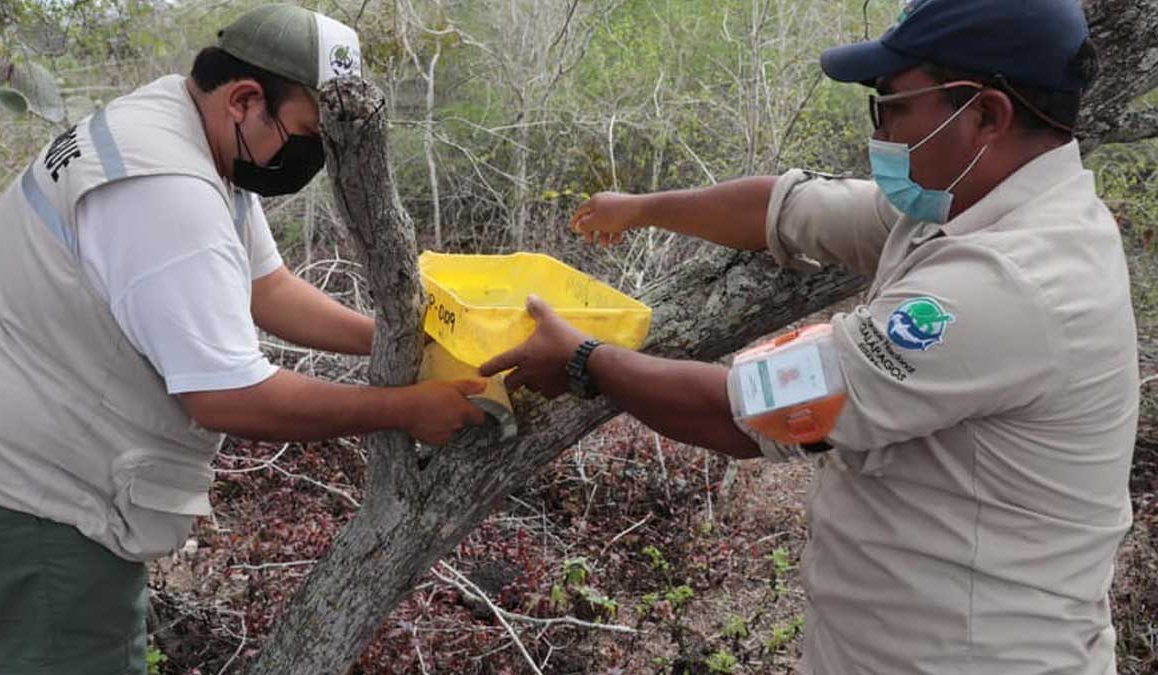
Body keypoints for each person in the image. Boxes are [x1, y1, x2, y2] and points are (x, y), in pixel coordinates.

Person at [481, 0, 1137, 672]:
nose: (879, 128)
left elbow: (747, 410)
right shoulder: (967, 203)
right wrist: (643, 209)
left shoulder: (1011, 284)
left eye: (891, 103)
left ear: (985, 115)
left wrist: (584, 361)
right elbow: (791, 209)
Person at [0, 5, 485, 673]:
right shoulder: (165, 190)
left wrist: (403, 342)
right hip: (32, 519)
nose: (313, 159)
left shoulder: (176, 122)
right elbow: (229, 396)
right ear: (244, 98)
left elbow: (269, 289)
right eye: (307, 134)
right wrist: (404, 408)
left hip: (7, 488)